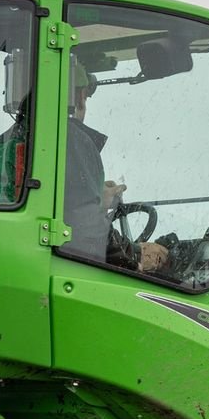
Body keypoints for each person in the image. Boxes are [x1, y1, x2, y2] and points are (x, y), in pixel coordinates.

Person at [62, 58, 168, 273]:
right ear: (80, 97)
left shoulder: (8, 143)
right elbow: (85, 226)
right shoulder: (71, 141)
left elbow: (64, 208)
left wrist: (98, 199)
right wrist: (136, 255)